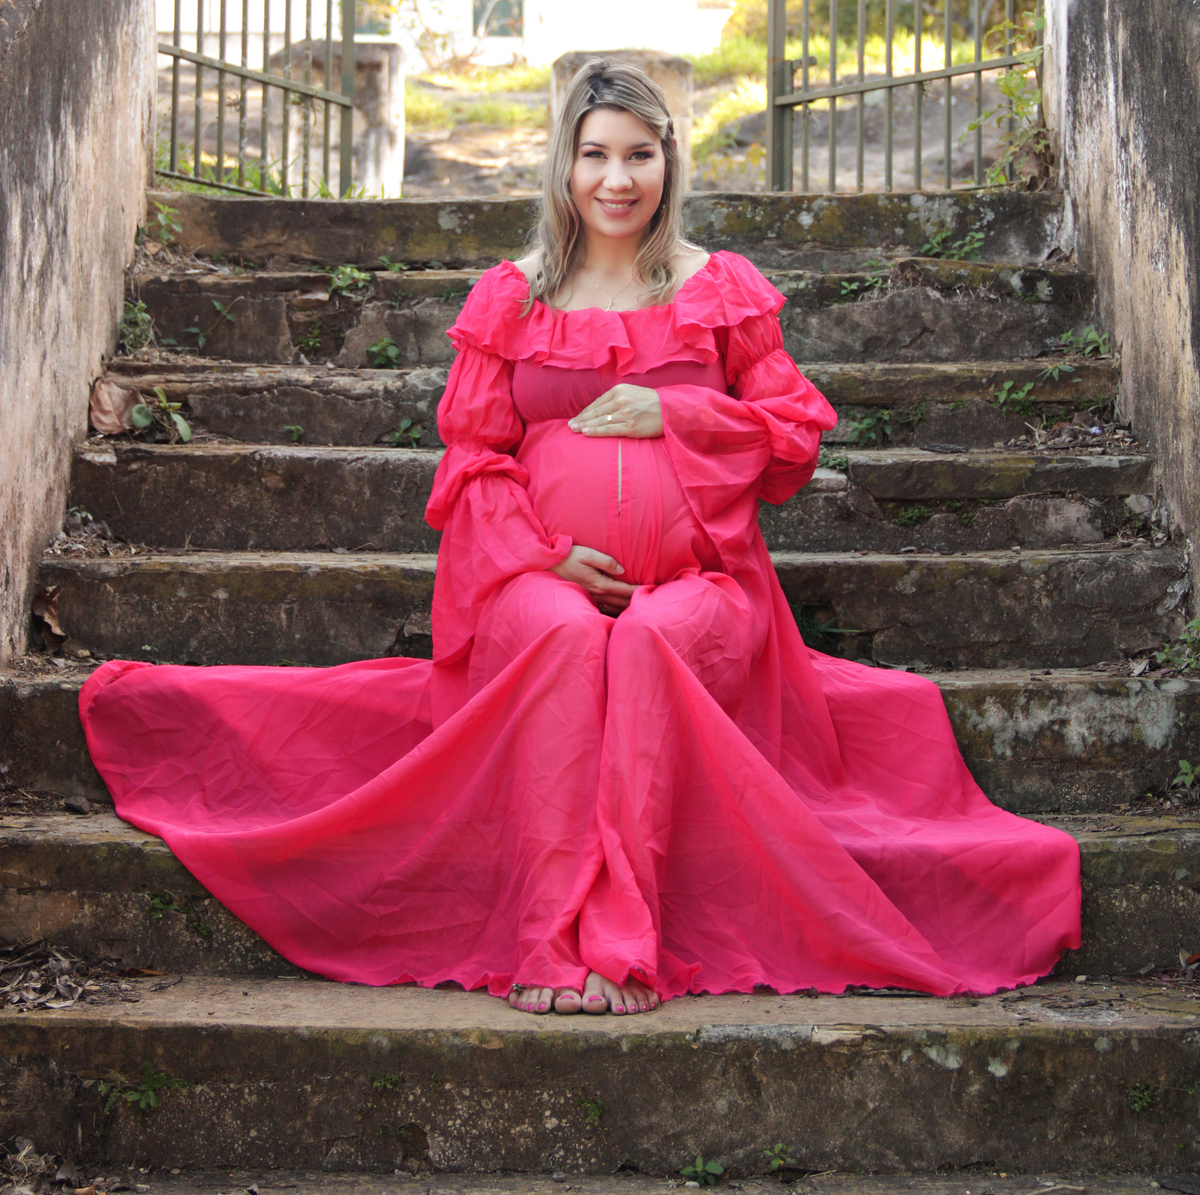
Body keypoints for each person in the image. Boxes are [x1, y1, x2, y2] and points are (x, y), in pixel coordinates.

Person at [80, 60, 1081, 1014]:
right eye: (597, 154)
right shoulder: (511, 297)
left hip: (704, 582)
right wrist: (543, 555)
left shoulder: (717, 288)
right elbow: (471, 461)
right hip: (534, 575)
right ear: (566, 164)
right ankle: (551, 936)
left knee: (644, 642)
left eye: (639, 155)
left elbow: (793, 441)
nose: (617, 178)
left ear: (669, 163)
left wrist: (677, 416)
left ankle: (625, 935)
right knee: (567, 639)